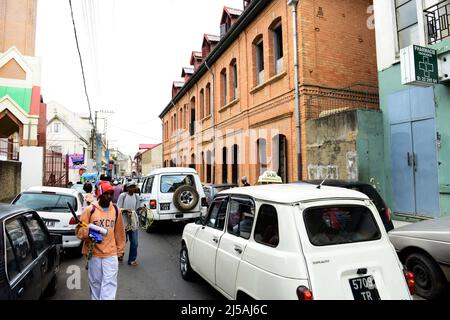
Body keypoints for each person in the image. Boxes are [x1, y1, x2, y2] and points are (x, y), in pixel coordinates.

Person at [75, 181, 126, 300]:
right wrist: (90, 233)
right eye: (106, 194)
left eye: (111, 193)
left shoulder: (116, 210)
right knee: (95, 284)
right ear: (100, 194)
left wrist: (120, 250)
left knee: (109, 283)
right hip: (94, 254)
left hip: (111, 254)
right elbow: (79, 232)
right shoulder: (90, 210)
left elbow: (119, 232)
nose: (109, 196)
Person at [117, 180, 141, 266]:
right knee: (123, 241)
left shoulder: (137, 197)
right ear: (127, 188)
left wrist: (141, 209)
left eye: (134, 186)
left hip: (133, 222)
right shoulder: (123, 196)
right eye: (131, 187)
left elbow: (137, 209)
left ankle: (132, 259)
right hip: (123, 222)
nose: (133, 188)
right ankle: (120, 254)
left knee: (135, 242)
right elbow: (118, 208)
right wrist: (126, 210)